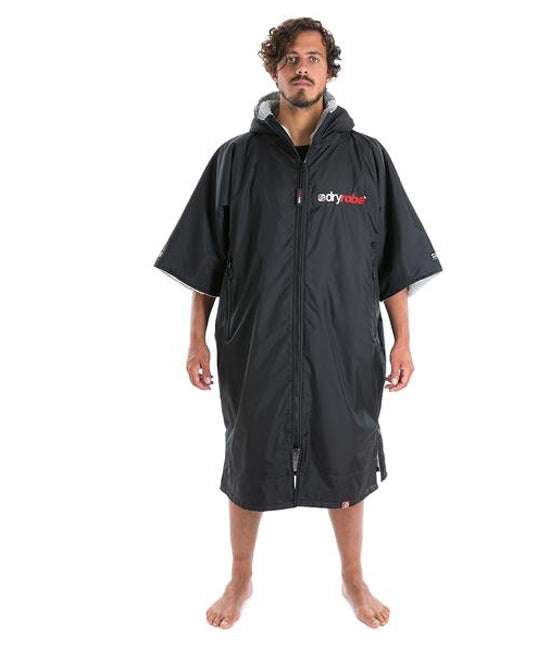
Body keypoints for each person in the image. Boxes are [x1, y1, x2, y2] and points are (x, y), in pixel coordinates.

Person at [154, 17, 443, 629]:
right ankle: (240, 580)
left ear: (329, 70)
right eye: (290, 58)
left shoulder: (367, 160)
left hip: (344, 345)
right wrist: (195, 340)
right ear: (274, 70)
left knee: (346, 455)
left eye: (312, 58)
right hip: (256, 343)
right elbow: (205, 261)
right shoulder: (235, 160)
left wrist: (404, 340)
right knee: (248, 455)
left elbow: (394, 260)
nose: (301, 68)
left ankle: (352, 578)